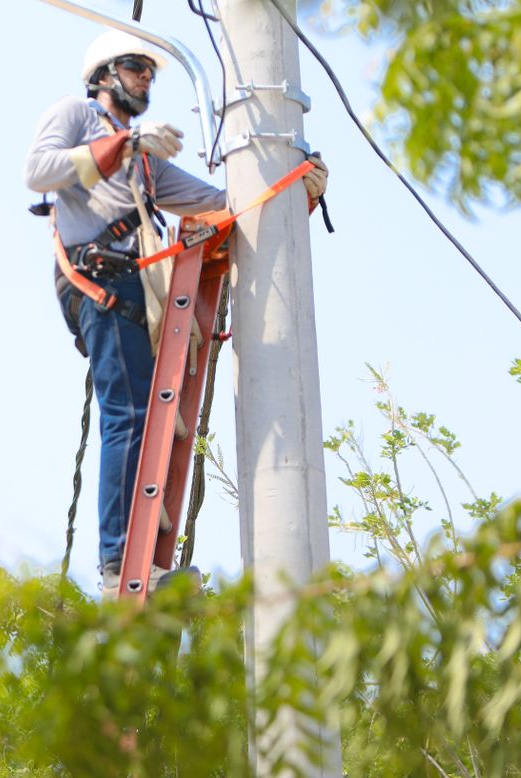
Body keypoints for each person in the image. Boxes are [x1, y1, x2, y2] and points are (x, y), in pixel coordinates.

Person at [24, 29, 327, 596]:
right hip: (99, 283)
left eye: (150, 73)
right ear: (105, 75)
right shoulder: (78, 116)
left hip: (137, 292)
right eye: (137, 68)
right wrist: (130, 142)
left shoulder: (148, 168)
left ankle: (143, 566)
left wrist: (295, 186)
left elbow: (226, 204)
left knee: (145, 419)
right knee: (126, 418)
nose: (146, 80)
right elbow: (38, 170)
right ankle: (118, 569)